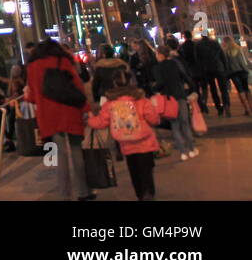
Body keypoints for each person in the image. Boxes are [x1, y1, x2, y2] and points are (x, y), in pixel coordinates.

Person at [25, 38, 94, 200]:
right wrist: (87, 109)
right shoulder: (63, 61)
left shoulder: (32, 67)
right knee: (77, 151)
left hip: (49, 116)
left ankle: (65, 195)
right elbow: (77, 86)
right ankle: (83, 191)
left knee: (59, 155)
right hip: (70, 111)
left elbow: (32, 95)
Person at [88, 69, 161, 200]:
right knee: (147, 172)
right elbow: (154, 119)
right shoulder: (141, 100)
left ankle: (140, 194)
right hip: (145, 143)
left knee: (135, 172)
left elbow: (101, 122)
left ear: (114, 84)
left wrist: (88, 119)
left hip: (127, 145)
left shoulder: (110, 104)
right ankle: (148, 193)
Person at [155, 41, 198, 159]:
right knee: (185, 123)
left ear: (160, 54)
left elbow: (160, 84)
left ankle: (183, 152)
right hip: (180, 96)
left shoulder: (158, 68)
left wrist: (153, 89)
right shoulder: (175, 63)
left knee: (175, 125)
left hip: (169, 99)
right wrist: (191, 88)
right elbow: (184, 76)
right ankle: (192, 149)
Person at [194, 31, 230, 117]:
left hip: (207, 70)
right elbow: (222, 56)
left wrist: (201, 70)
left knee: (213, 89)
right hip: (218, 67)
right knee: (223, 89)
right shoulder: (215, 43)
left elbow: (197, 60)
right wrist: (225, 68)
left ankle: (219, 108)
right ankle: (226, 106)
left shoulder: (198, 45)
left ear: (201, 36)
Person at [220, 36, 252, 116]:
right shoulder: (238, 49)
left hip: (233, 73)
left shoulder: (225, 51)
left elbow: (226, 64)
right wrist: (246, 70)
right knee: (246, 90)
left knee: (240, 91)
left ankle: (247, 109)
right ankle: (251, 107)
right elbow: (242, 61)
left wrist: (227, 74)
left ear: (225, 42)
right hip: (242, 72)